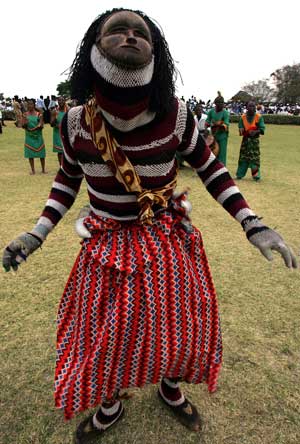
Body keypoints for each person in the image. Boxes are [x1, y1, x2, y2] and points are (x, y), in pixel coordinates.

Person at [2, 8, 297, 443]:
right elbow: (67, 180)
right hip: (103, 246)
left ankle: (171, 388)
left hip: (167, 241)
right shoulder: (73, 122)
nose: (129, 36)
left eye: (140, 33)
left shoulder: (178, 117)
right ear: (94, 48)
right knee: (104, 334)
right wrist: (36, 233)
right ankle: (110, 402)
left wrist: (253, 224)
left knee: (176, 325)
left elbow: (213, 172)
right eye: (116, 30)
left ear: (155, 52)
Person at [236, 101, 265, 181]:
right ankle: (240, 174)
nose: (252, 108)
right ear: (246, 108)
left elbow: (262, 130)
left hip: (254, 142)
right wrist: (243, 131)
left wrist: (255, 131)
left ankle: (256, 176)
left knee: (255, 158)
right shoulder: (243, 117)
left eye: (253, 106)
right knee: (242, 157)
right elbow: (240, 130)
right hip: (245, 141)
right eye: (250, 106)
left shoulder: (258, 117)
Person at [21, 98, 46, 174]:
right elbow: (23, 126)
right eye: (28, 104)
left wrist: (37, 126)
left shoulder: (39, 114)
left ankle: (43, 169)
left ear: (34, 105)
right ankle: (33, 170)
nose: (29, 105)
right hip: (29, 136)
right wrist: (25, 122)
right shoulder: (25, 114)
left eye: (31, 104)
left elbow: (41, 126)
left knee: (41, 154)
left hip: (38, 136)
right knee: (30, 154)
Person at [205, 92, 230, 165]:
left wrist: (218, 124)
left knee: (222, 153)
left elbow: (226, 124)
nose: (222, 104)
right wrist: (206, 128)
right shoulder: (211, 112)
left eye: (222, 103)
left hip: (222, 136)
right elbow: (207, 121)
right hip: (213, 135)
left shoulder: (225, 113)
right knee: (213, 152)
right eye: (219, 103)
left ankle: (221, 168)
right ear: (215, 103)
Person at [50, 96, 68, 165]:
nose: (61, 102)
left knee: (66, 151)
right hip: (57, 133)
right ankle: (61, 166)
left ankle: (66, 166)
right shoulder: (54, 111)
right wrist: (55, 117)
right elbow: (51, 124)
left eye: (62, 100)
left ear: (65, 101)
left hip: (66, 133)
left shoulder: (68, 110)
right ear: (57, 101)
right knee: (60, 151)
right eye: (59, 100)